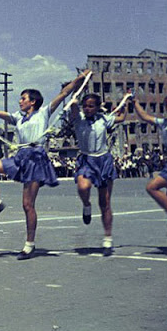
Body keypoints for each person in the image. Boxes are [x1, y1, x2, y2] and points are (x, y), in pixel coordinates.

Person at [0, 70, 89, 260]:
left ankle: (29, 244)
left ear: (33, 102)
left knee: (27, 205)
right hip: (21, 156)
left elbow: (63, 93)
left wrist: (80, 79)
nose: (20, 101)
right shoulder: (18, 118)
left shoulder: (44, 113)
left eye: (23, 98)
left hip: (36, 158)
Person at [70, 93, 126, 256]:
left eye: (91, 106)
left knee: (105, 202)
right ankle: (87, 205)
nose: (87, 109)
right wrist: (73, 102)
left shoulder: (104, 119)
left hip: (103, 160)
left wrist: (125, 105)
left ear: (97, 107)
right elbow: (73, 111)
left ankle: (107, 239)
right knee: (82, 187)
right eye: (85, 106)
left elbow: (121, 118)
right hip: (86, 159)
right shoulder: (78, 118)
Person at [133, 96, 167, 223]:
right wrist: (135, 103)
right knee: (153, 188)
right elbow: (144, 116)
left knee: (152, 187)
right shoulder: (163, 123)